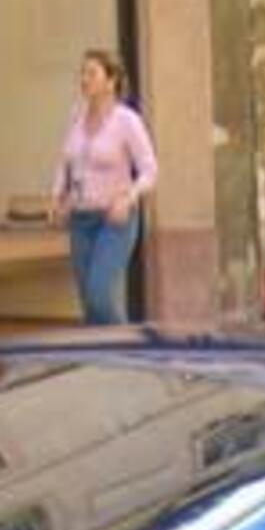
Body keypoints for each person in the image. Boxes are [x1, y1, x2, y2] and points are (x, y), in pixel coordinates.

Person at [50, 47, 159, 326]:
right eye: (82, 73)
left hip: (114, 220)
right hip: (81, 217)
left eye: (92, 73)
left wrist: (129, 197)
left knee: (99, 294)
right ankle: (100, 362)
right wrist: (56, 197)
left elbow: (150, 171)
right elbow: (65, 161)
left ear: (111, 81)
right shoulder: (76, 115)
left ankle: (130, 351)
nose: (84, 79)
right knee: (89, 302)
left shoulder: (127, 122)